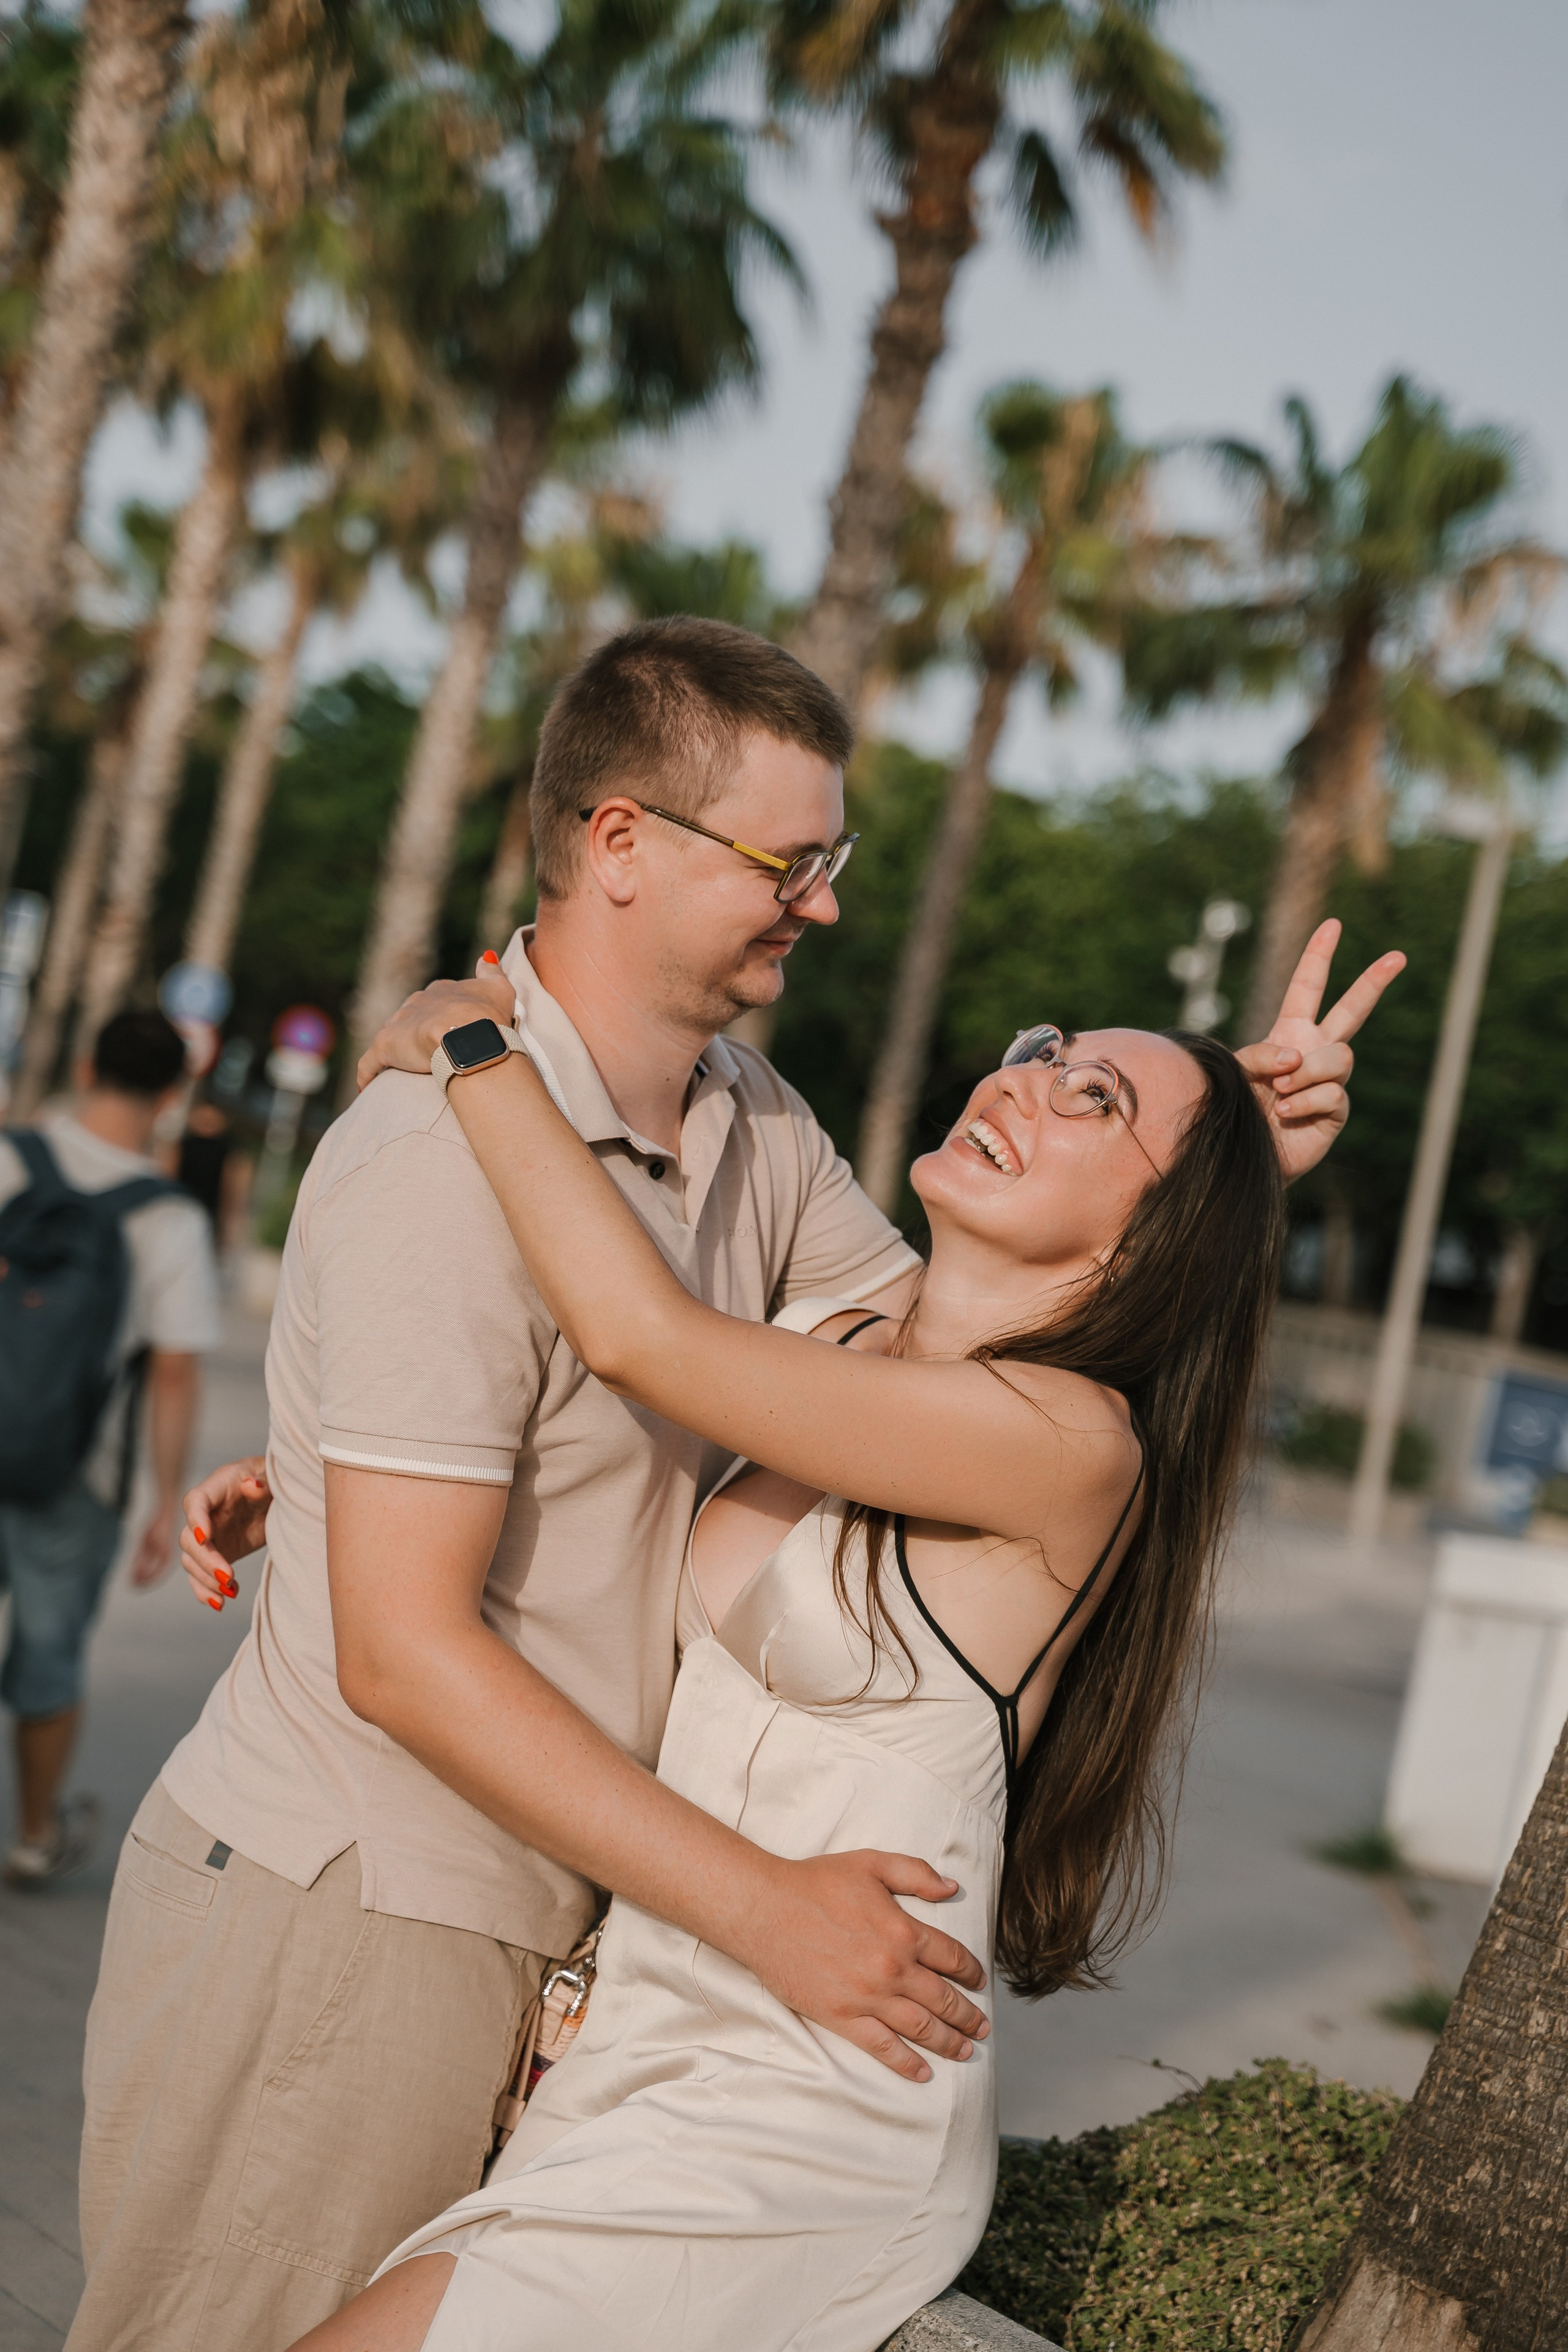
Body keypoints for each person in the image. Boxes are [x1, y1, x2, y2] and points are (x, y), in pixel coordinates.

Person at [88, 618, 1376, 2352]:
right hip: (380, 1916)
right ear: (621, 844)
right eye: (795, 860)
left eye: (833, 864)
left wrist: (1232, 1158)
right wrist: (336, 1452)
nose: (827, 903)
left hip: (704, 2021)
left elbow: (679, 1348)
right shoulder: (449, 1163)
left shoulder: (761, 1148)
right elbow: (408, 1639)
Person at [288, 929, 1400, 2352]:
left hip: (807, 2102)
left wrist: (471, 1046)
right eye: (1045, 1055)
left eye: (1095, 1104)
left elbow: (638, 1336)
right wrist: (335, 1482)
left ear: (1160, 1233)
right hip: (632, 2044)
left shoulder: (1069, 1446)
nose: (1028, 1085)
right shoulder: (851, 1327)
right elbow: (596, 1430)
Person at [0, 1010, 221, 1888]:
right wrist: (163, 1503)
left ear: (88, 1062)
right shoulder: (167, 1218)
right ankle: (30, 1832)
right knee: (49, 1653)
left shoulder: (12, 1157)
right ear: (173, 1096)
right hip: (76, 1470)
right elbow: (172, 1374)